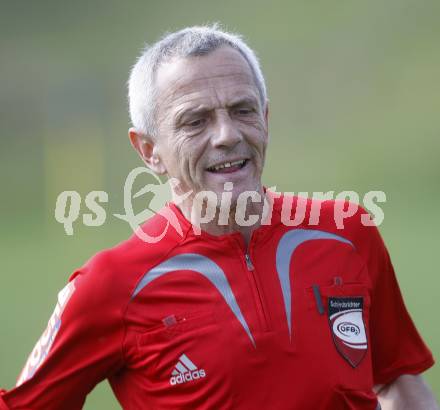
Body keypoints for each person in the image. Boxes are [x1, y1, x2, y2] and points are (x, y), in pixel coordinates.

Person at [0, 25, 438, 410]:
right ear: (149, 150)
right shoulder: (111, 285)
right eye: (196, 121)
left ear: (264, 119)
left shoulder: (347, 233)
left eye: (243, 110)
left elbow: (398, 379)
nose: (228, 135)